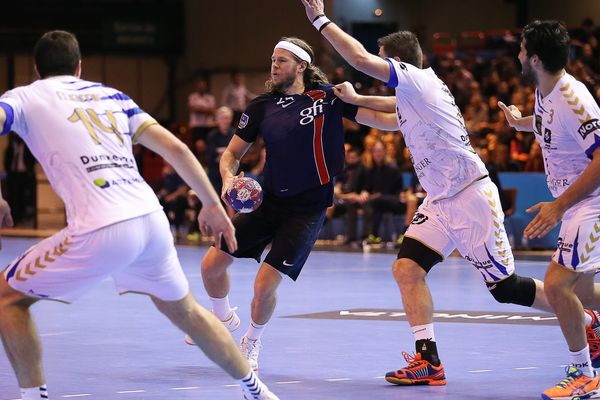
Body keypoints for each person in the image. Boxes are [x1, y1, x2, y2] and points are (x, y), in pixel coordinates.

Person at [300, 0, 600, 387]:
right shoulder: (415, 99)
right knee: (406, 269)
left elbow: (358, 59)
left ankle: (583, 319)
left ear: (400, 64)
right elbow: (385, 117)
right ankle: (428, 361)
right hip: (441, 200)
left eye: (384, 61)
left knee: (506, 289)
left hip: (470, 195)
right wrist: (346, 104)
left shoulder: (421, 81)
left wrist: (320, 20)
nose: (379, 67)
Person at [0, 30, 279, 400]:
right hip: (150, 220)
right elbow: (176, 149)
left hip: (101, 226)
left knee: (8, 298)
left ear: (36, 69)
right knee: (189, 315)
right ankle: (257, 391)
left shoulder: (24, 97)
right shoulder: (113, 97)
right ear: (79, 67)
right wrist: (212, 206)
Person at [192, 36, 398, 373]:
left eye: (282, 60)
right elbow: (231, 155)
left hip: (307, 209)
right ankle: (222, 319)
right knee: (210, 266)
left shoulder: (329, 98)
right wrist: (229, 179)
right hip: (268, 201)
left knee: (263, 286)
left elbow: (387, 116)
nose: (274, 65)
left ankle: (251, 342)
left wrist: (415, 105)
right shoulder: (260, 106)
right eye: (272, 59)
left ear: (301, 66)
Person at [498, 20, 600, 400]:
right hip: (576, 202)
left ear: (535, 59)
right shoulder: (545, 89)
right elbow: (548, 126)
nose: (518, 55)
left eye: (522, 49)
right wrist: (520, 123)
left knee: (557, 287)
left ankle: (584, 375)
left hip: (590, 202)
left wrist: (559, 206)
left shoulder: (574, 99)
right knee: (585, 294)